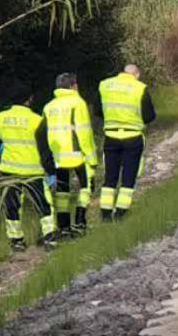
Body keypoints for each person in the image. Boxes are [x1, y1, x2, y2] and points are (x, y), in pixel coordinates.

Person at [0, 82, 58, 252]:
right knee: (43, 204)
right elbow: (46, 148)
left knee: (12, 206)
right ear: (30, 99)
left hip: (10, 170)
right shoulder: (37, 120)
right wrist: (51, 171)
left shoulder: (0, 118)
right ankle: (49, 238)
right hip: (33, 170)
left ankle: (16, 241)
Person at [98, 64, 156, 220]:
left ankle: (105, 213)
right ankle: (121, 213)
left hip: (110, 136)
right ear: (136, 74)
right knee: (128, 177)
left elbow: (98, 110)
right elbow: (149, 116)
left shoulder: (105, 85)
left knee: (110, 177)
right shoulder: (140, 88)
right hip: (132, 137)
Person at [42, 72, 98, 238]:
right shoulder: (78, 103)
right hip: (77, 154)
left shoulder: (48, 106)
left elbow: (42, 134)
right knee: (86, 186)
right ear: (73, 85)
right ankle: (80, 221)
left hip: (57, 156)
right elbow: (84, 133)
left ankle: (64, 226)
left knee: (62, 192)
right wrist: (91, 157)